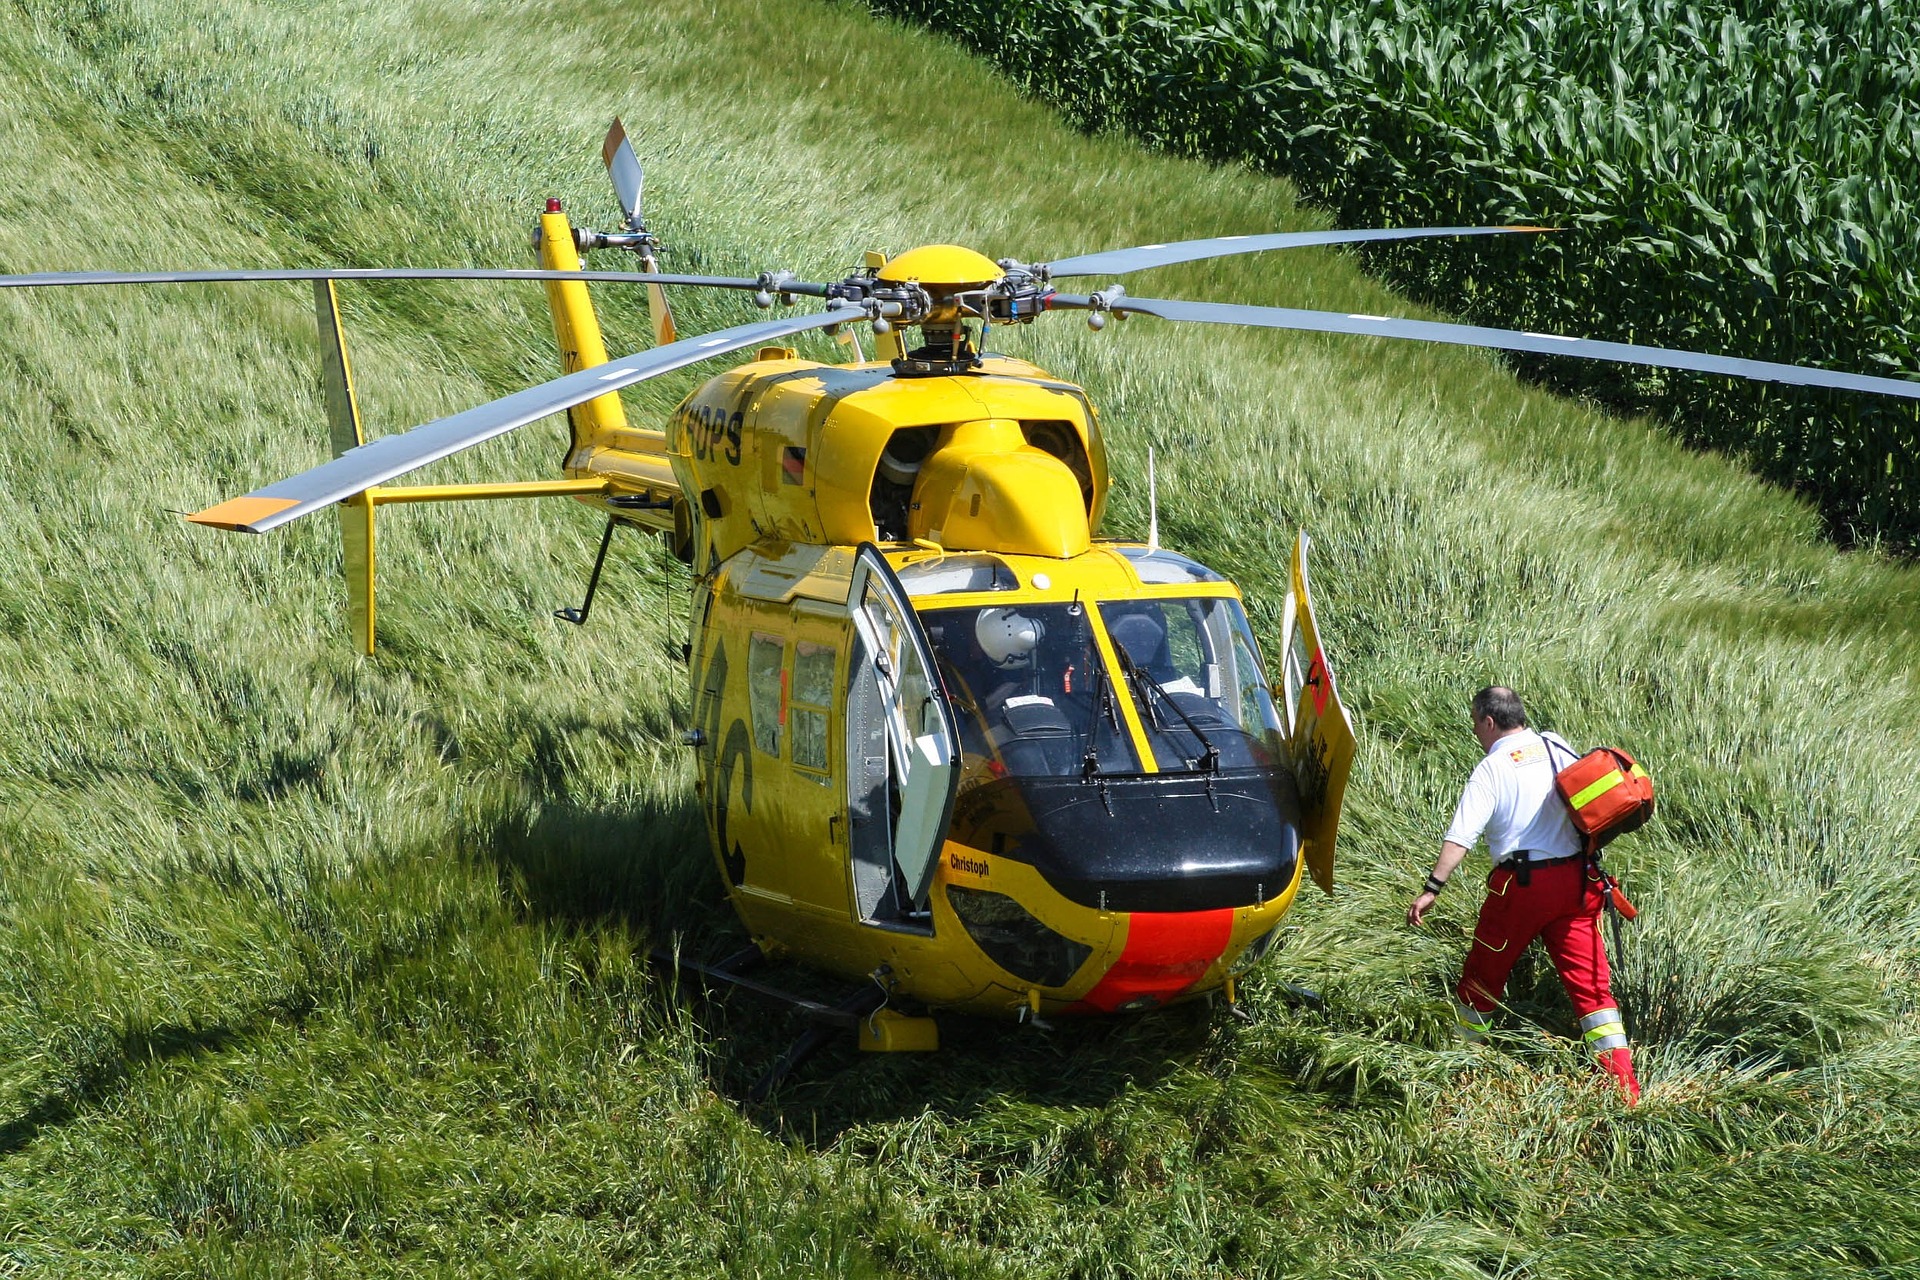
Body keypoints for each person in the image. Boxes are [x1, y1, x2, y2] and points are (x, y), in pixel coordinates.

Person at [1406, 685, 1640, 1103]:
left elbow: (1461, 837)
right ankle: (1624, 1090)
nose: (1476, 731)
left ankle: (1461, 1069)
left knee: (1483, 976)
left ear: (1489, 722)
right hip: (1576, 883)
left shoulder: (1491, 768)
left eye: (1477, 723)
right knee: (1593, 993)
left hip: (1521, 888)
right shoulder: (1555, 746)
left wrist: (1432, 889)